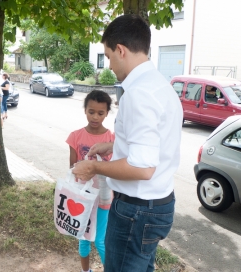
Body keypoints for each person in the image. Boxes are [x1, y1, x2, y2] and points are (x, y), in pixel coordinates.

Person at [72, 14, 183, 272]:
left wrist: (94, 168)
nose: (109, 64)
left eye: (109, 56)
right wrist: (113, 146)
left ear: (121, 50)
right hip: (159, 203)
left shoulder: (138, 94)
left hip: (136, 212)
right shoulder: (161, 86)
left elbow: (142, 168)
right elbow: (155, 141)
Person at [67, 90, 115, 272]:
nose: (95, 117)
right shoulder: (75, 137)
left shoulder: (111, 138)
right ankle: (85, 270)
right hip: (82, 196)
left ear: (107, 113)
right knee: (84, 237)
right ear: (85, 110)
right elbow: (72, 167)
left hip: (103, 196)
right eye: (91, 111)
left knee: (101, 239)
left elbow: (116, 167)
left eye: (100, 113)